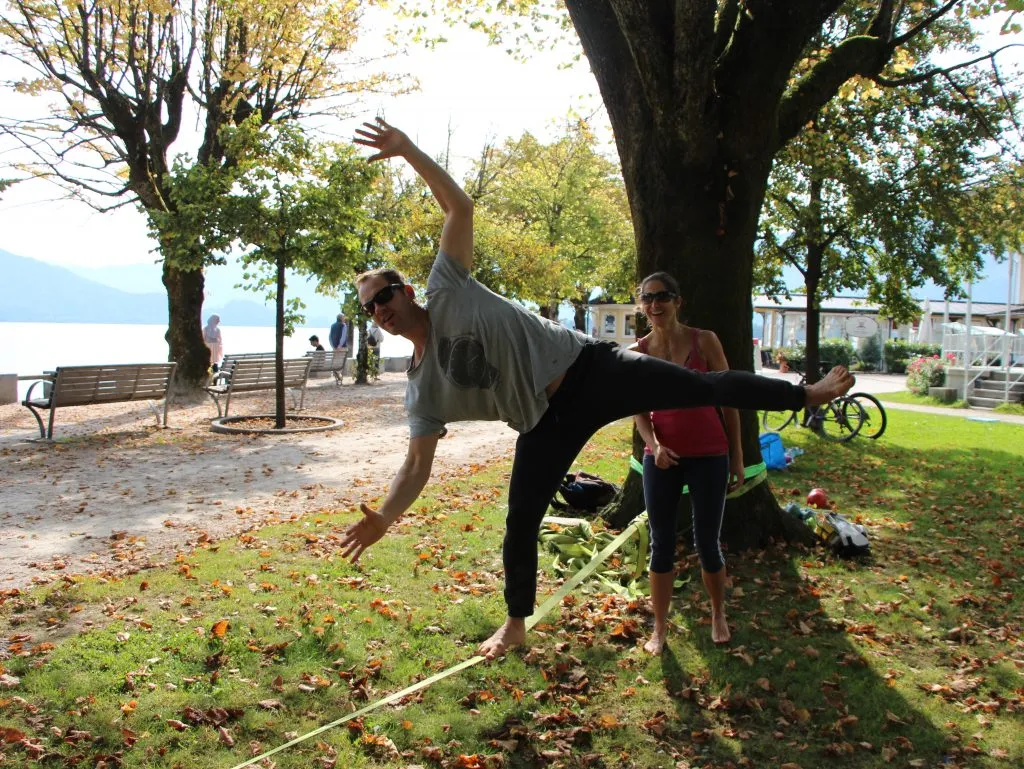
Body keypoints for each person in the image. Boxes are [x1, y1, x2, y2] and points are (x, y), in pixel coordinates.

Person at [340, 117, 855, 660]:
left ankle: (806, 395)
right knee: (520, 521)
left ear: (408, 290)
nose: (381, 309)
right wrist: (386, 516)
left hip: (589, 367)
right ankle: (516, 623)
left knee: (703, 386)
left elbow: (459, 208)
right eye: (370, 306)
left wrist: (407, 150)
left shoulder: (447, 286)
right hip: (543, 420)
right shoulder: (421, 388)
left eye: (386, 294)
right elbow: (416, 465)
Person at [631, 271, 741, 652]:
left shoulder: (704, 341)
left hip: (710, 455)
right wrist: (655, 446)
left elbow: (728, 399)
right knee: (661, 544)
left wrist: (737, 458)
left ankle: (718, 613)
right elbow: (638, 411)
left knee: (707, 542)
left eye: (662, 297)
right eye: (647, 298)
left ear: (678, 301)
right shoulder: (639, 351)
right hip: (661, 459)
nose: (655, 305)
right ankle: (659, 628)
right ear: (641, 305)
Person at [329, 314, 351, 384]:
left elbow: (329, 337)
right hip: (342, 348)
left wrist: (333, 346)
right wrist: (340, 345)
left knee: (336, 363)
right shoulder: (343, 325)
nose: (344, 319)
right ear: (341, 318)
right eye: (344, 318)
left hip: (334, 348)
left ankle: (337, 375)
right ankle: (339, 375)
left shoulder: (332, 326)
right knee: (342, 363)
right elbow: (343, 336)